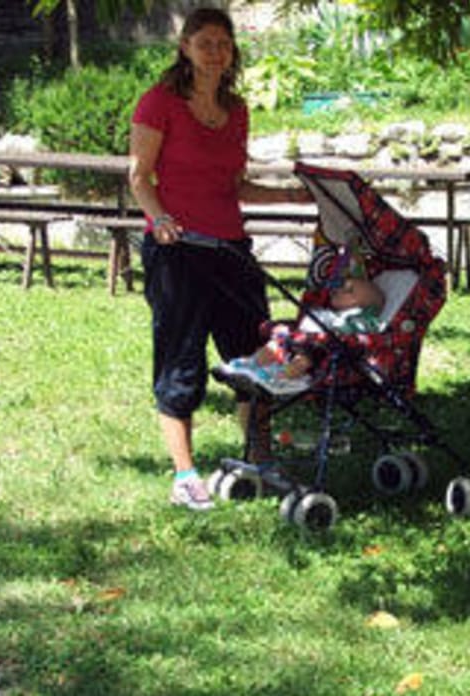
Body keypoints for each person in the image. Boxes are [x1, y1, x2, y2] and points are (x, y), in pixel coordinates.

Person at [128, 7, 310, 511]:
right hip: (178, 253)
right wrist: (160, 220)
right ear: (185, 47)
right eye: (205, 42)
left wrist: (291, 197)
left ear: (232, 52)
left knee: (257, 356)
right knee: (180, 361)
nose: (215, 52)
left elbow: (235, 185)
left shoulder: (238, 110)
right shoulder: (159, 103)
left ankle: (260, 458)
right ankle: (185, 475)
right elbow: (139, 178)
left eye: (223, 44)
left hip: (231, 250)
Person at [217, 274, 386, 394]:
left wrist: (344, 328)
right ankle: (250, 365)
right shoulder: (330, 312)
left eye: (349, 290)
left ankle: (277, 378)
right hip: (303, 340)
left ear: (363, 304)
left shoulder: (360, 317)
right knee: (277, 343)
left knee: (305, 357)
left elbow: (365, 332)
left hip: (325, 352)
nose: (340, 290)